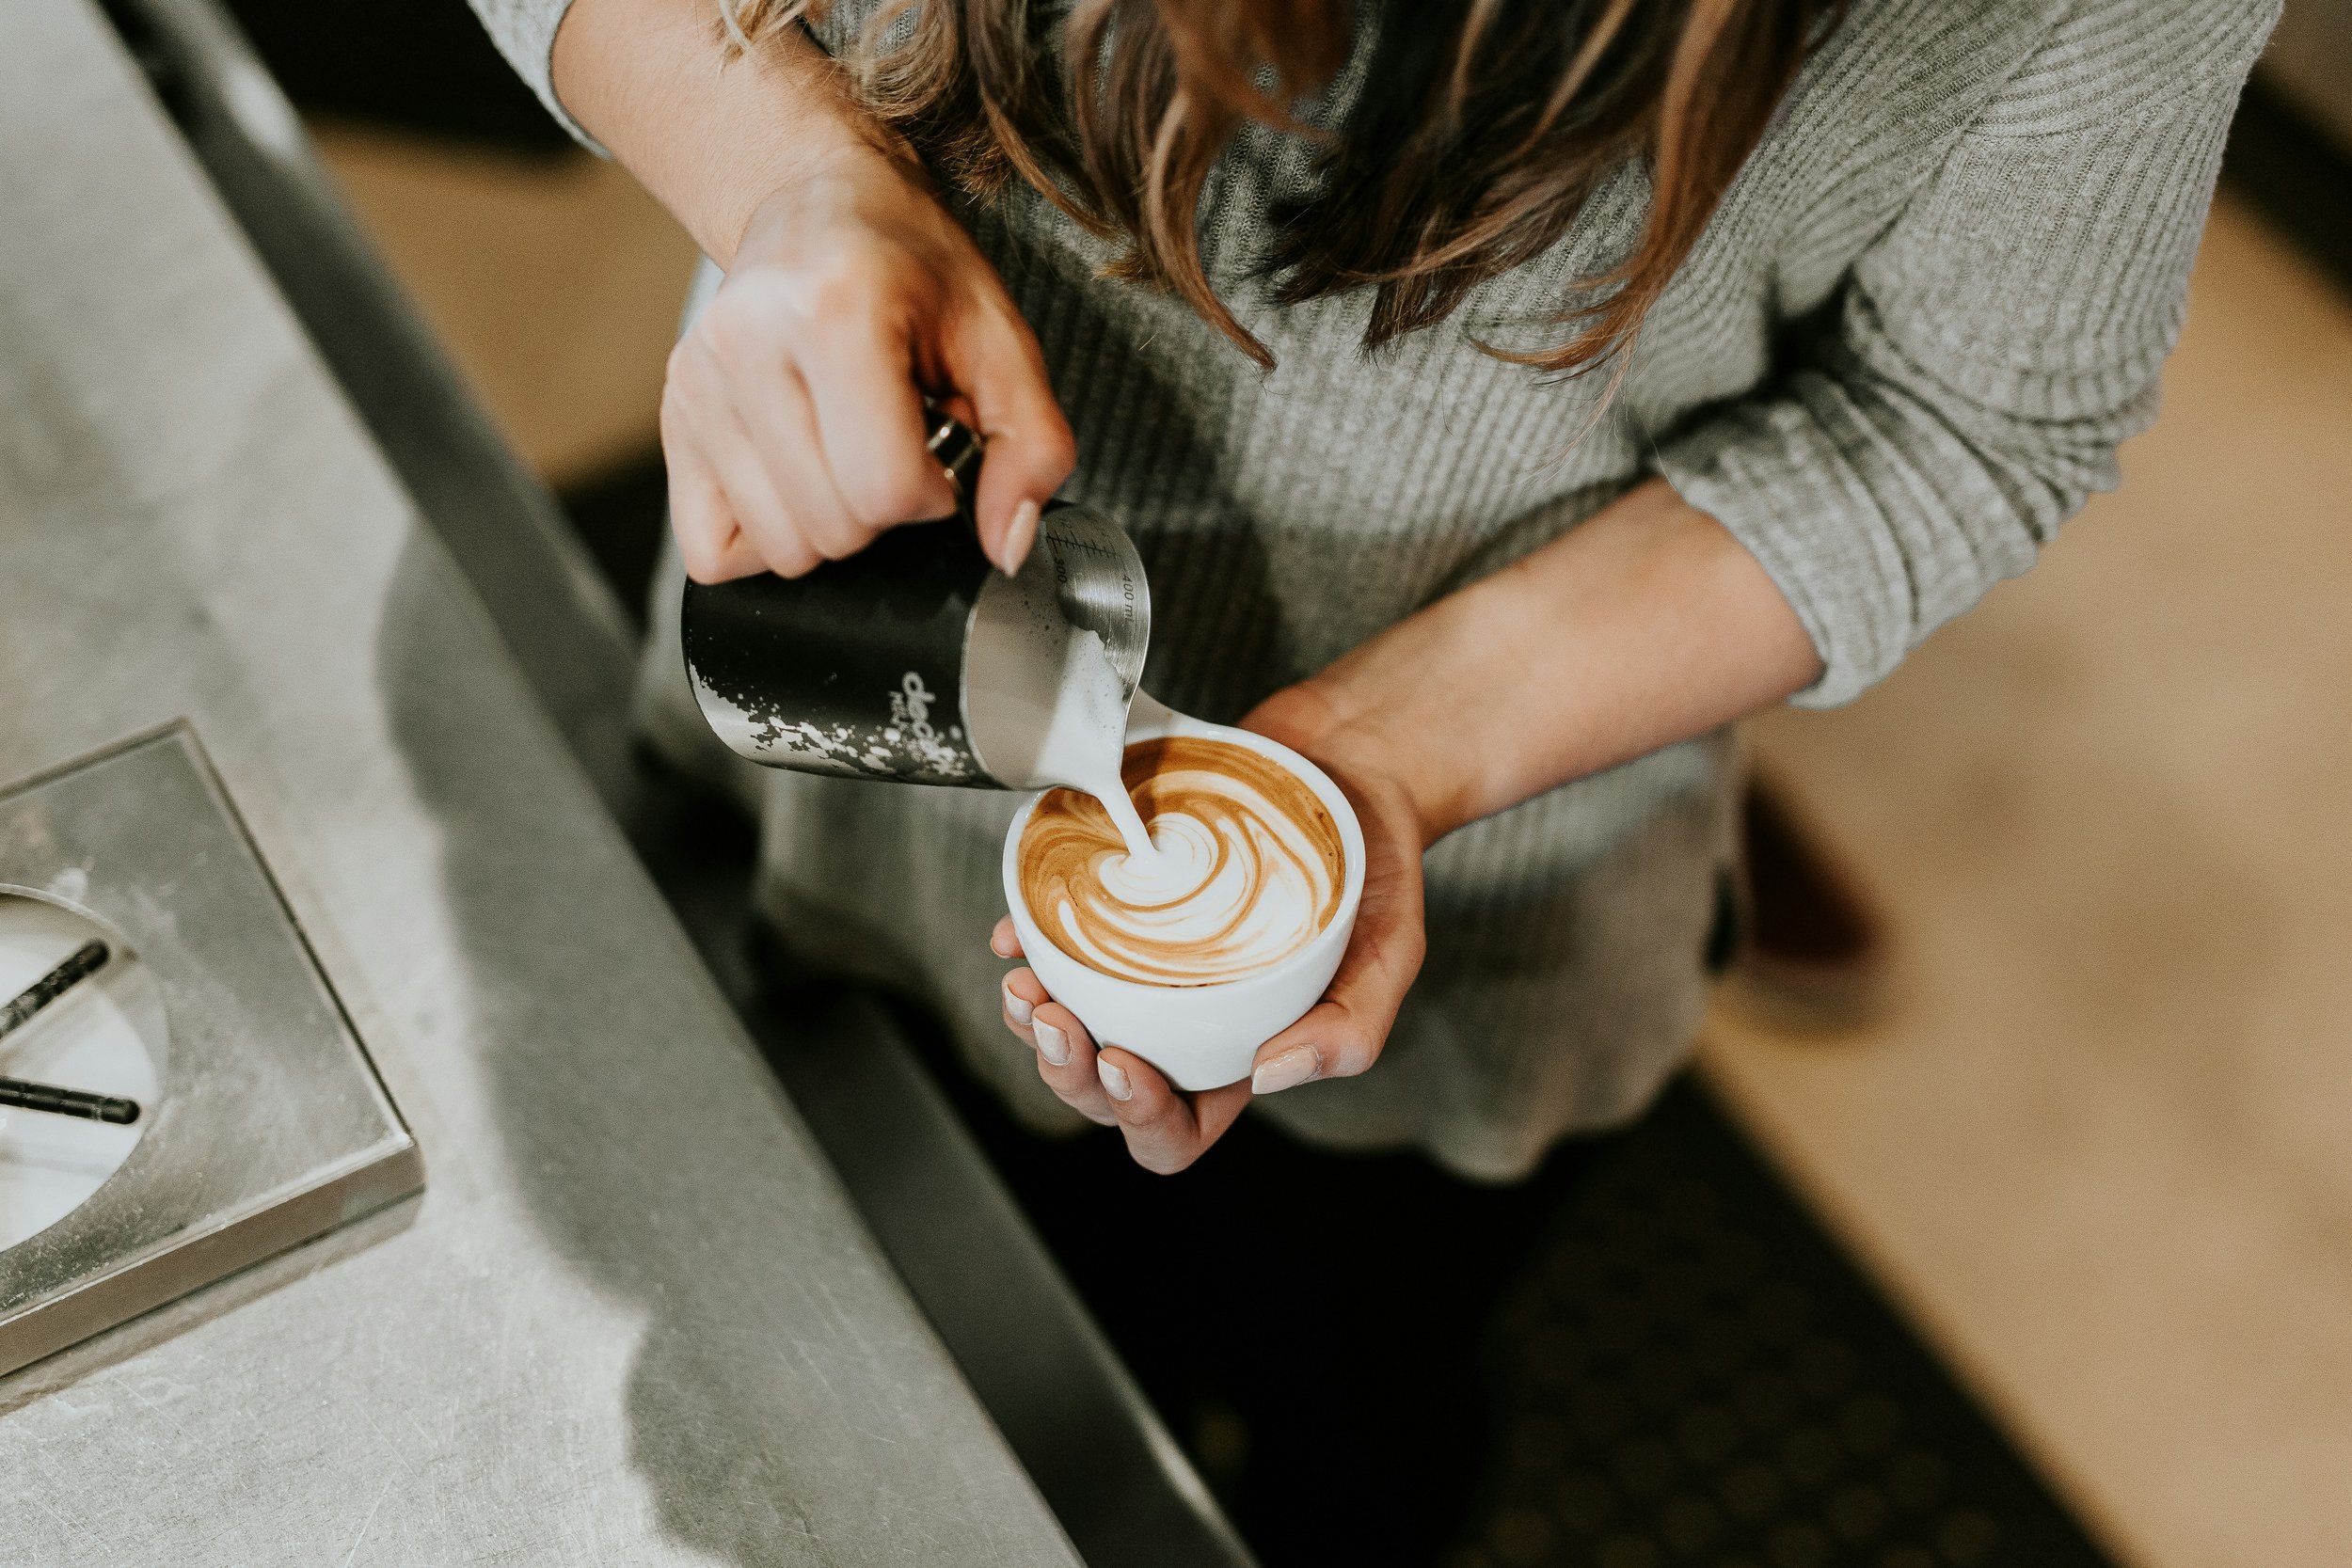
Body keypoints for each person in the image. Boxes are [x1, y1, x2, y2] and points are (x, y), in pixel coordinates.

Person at [469, 0, 2273, 1178]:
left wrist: (1410, 748)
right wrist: (790, 179)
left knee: (1356, 1421)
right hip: (841, 741)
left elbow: (1966, 419)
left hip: (1483, 926)